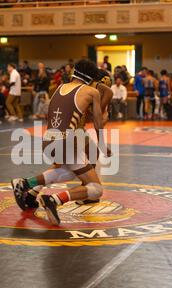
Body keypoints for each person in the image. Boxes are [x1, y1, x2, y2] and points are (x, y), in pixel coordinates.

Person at [11, 59, 110, 226]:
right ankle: (54, 200)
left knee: (68, 171)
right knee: (96, 189)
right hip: (66, 142)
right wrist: (102, 144)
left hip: (47, 141)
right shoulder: (91, 92)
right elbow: (98, 123)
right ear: (91, 79)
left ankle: (26, 183)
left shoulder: (58, 88)